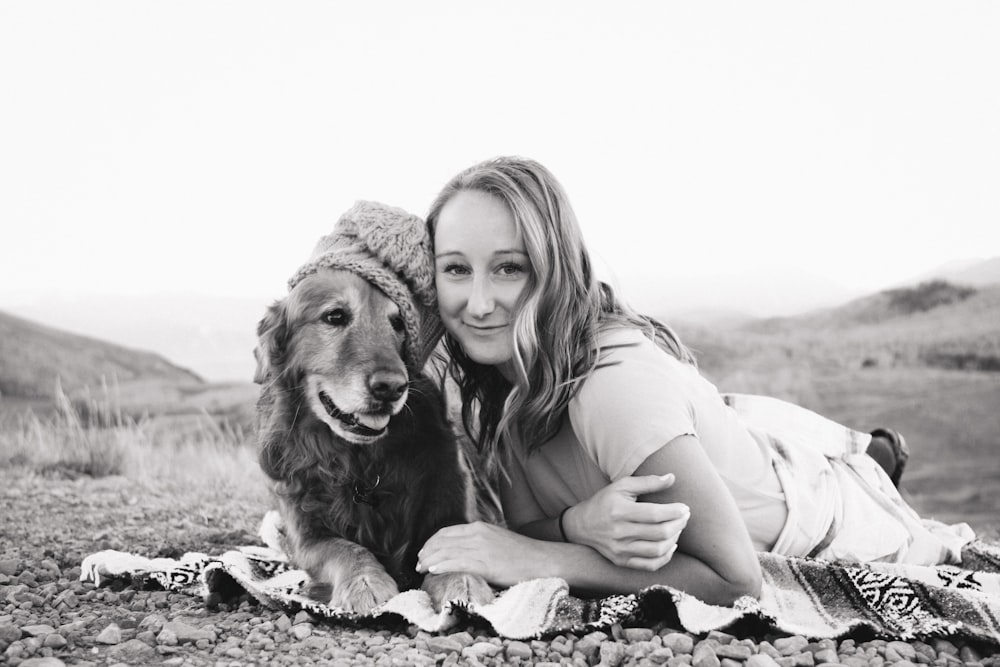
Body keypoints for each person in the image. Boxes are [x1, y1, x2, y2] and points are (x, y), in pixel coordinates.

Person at [414, 156, 974, 606]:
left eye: (509, 267)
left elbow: (735, 580)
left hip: (812, 512)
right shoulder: (498, 384)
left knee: (769, 454)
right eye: (456, 269)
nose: (479, 302)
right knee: (729, 422)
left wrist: (536, 559)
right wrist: (576, 523)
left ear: (553, 268)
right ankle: (864, 451)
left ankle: (872, 464)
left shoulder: (612, 391)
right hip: (734, 446)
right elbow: (526, 523)